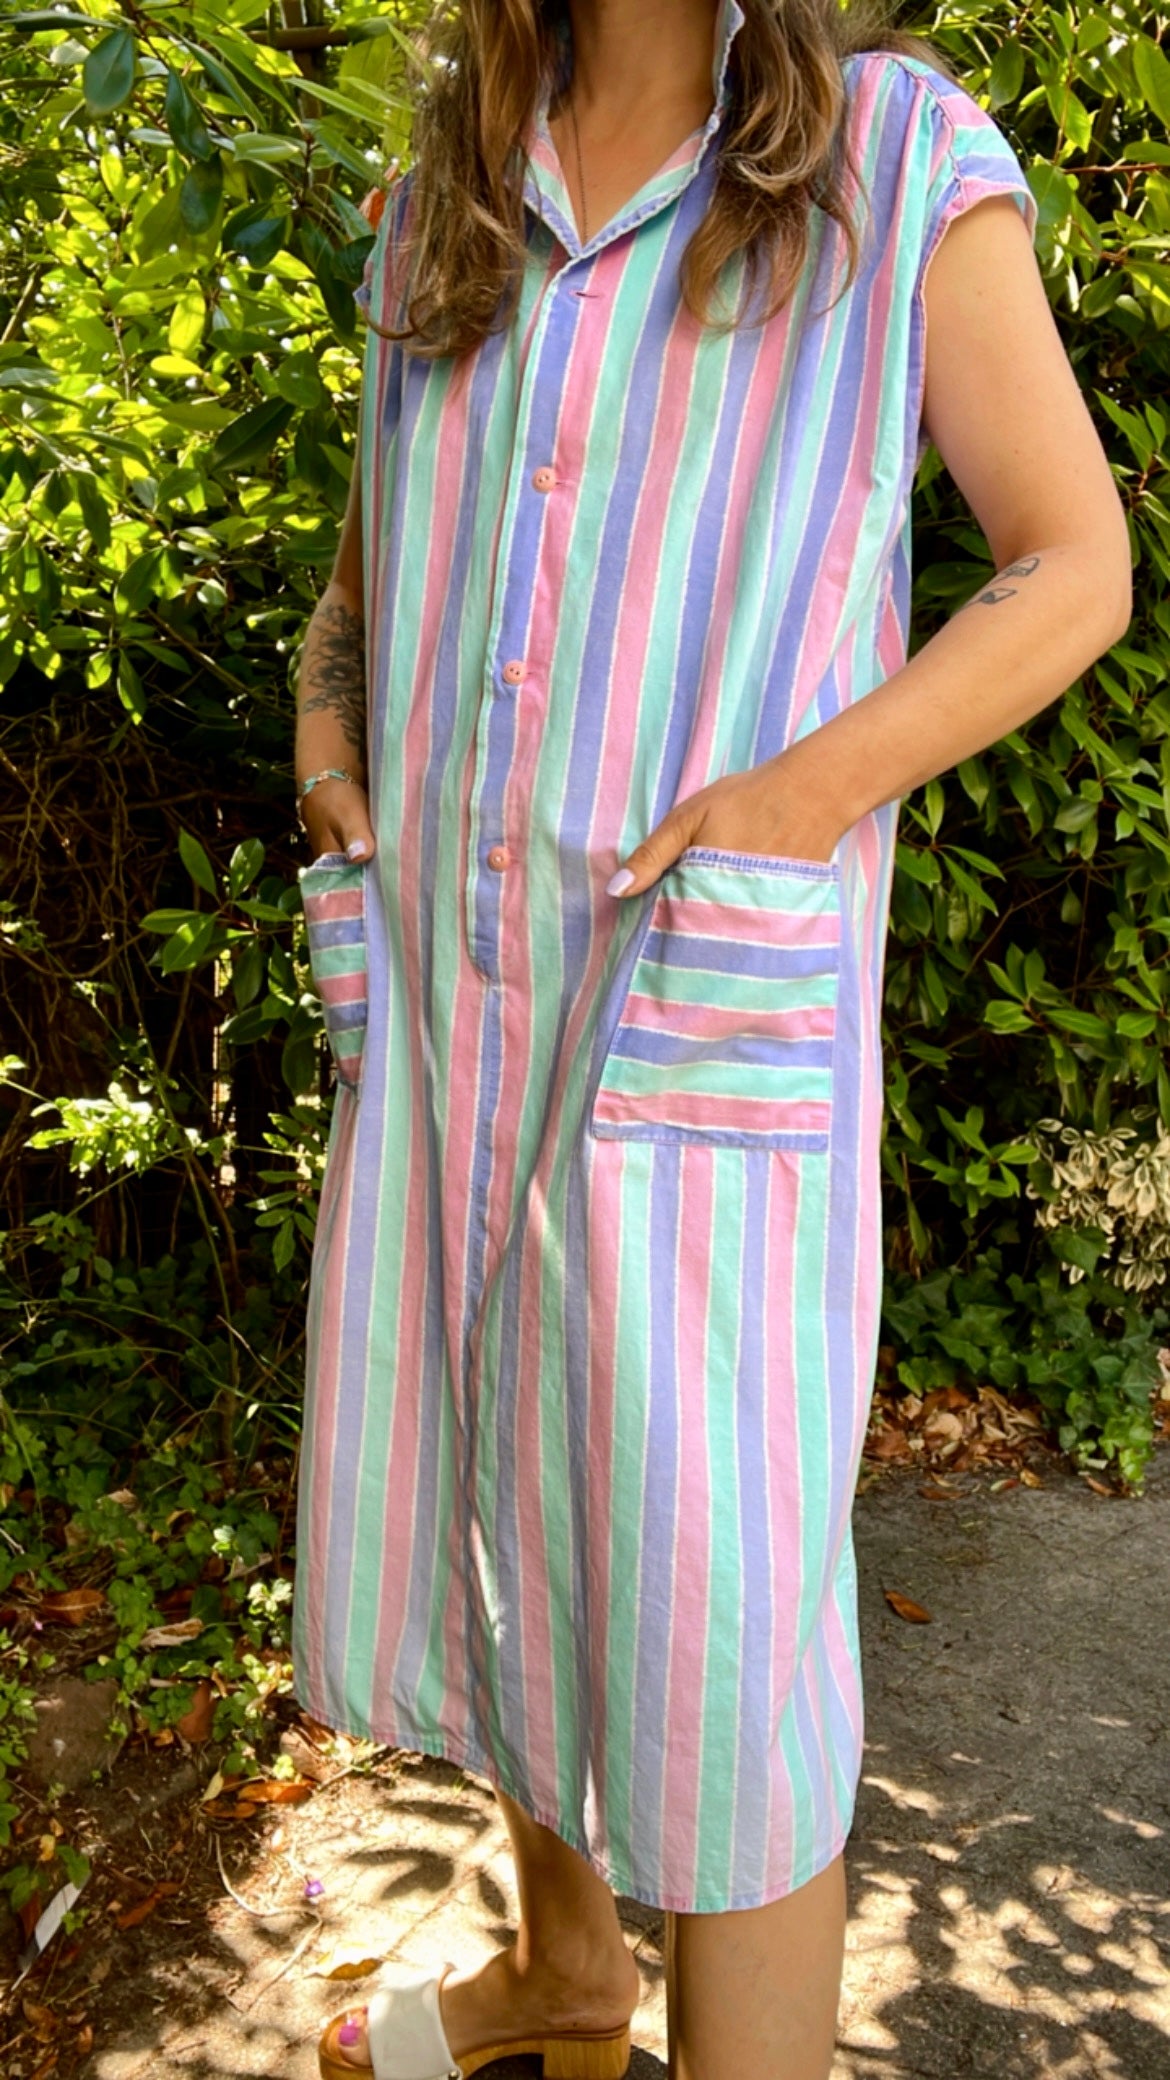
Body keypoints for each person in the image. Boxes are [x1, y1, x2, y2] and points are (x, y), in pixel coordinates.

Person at [290, 3, 1131, 2076]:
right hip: (452, 1022)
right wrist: (325, 744)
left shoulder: (893, 161)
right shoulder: (440, 200)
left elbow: (1072, 563)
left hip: (698, 1024)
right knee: (493, 1498)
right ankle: (565, 1972)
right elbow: (360, 586)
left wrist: (792, 801)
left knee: (721, 1644)